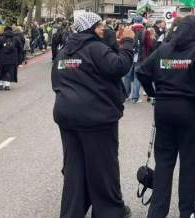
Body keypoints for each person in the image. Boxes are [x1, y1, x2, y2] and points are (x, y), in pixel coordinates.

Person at [51, 12, 134, 218]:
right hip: (96, 118)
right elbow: (119, 66)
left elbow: (55, 80)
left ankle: (72, 212)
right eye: (100, 26)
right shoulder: (95, 48)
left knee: (74, 168)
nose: (103, 29)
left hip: (67, 116)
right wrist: (128, 43)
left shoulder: (65, 51)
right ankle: (109, 211)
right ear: (90, 28)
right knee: (103, 167)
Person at [137, 15, 195, 218]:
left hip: (164, 110)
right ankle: (187, 212)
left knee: (163, 163)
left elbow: (142, 71)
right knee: (189, 164)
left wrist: (154, 93)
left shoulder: (164, 49)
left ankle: (156, 213)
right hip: (189, 111)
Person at [0, 25, 24, 91]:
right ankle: (7, 86)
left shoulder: (1, 38)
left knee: (0, 71)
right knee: (10, 72)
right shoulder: (16, 38)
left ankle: (0, 85)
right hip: (12, 59)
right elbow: (21, 48)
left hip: (2, 58)